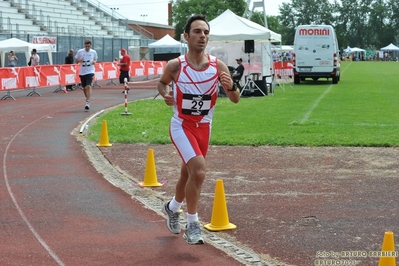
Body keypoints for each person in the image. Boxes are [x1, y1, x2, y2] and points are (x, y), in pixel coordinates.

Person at [157, 14, 240, 245]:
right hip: (181, 126)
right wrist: (165, 94)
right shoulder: (176, 66)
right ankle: (192, 224)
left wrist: (231, 86)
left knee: (188, 174)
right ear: (186, 36)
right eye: (197, 31)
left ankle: (172, 207)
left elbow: (235, 99)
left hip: (204, 127)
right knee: (200, 172)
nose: (202, 36)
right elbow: (162, 82)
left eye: (205, 32)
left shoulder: (217, 66)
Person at [75, 39, 98, 110]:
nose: (87, 47)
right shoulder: (80, 51)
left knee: (88, 86)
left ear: (90, 45)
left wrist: (94, 62)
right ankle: (87, 98)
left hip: (90, 71)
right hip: (82, 72)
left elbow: (95, 59)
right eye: (86, 46)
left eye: (88, 46)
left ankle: (88, 101)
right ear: (84, 45)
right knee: (84, 88)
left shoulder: (93, 52)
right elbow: (76, 60)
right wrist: (79, 60)